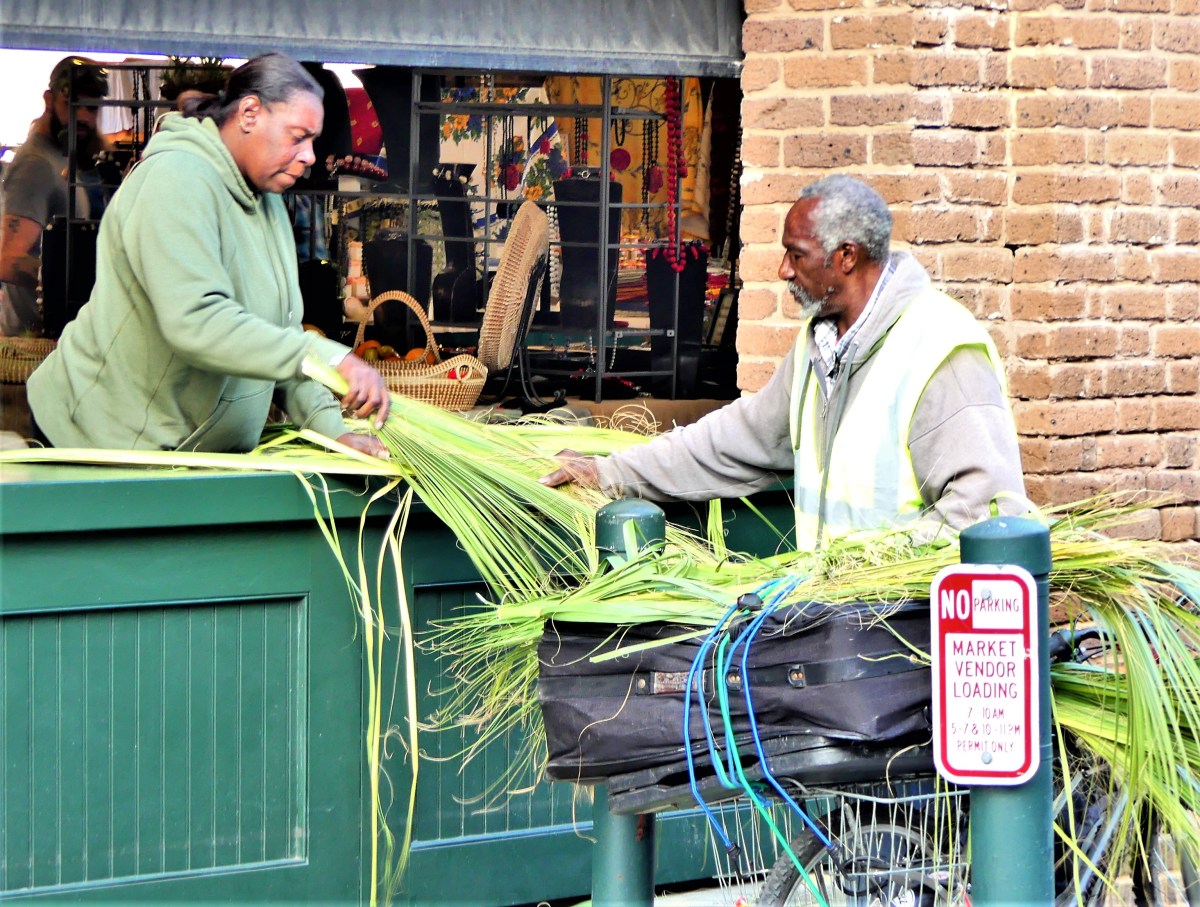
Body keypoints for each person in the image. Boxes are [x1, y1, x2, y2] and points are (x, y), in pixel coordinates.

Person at [542, 174, 1026, 549]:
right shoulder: (820, 345)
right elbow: (734, 440)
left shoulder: (939, 347)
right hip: (839, 627)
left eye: (796, 254)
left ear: (847, 257)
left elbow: (985, 516)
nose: (783, 270)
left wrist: (870, 578)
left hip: (903, 641)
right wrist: (610, 473)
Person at [27, 52, 390, 457]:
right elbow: (196, 321)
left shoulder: (267, 200)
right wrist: (330, 358)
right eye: (298, 136)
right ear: (250, 114)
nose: (309, 155)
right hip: (101, 440)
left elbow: (281, 337)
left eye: (313, 141)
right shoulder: (174, 181)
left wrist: (330, 429)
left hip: (186, 452)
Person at [0, 56, 110, 337]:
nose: (84, 117)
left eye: (92, 108)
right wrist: (78, 278)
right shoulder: (36, 165)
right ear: (50, 100)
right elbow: (9, 260)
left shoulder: (66, 157)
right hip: (33, 343)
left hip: (63, 335)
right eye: (73, 105)